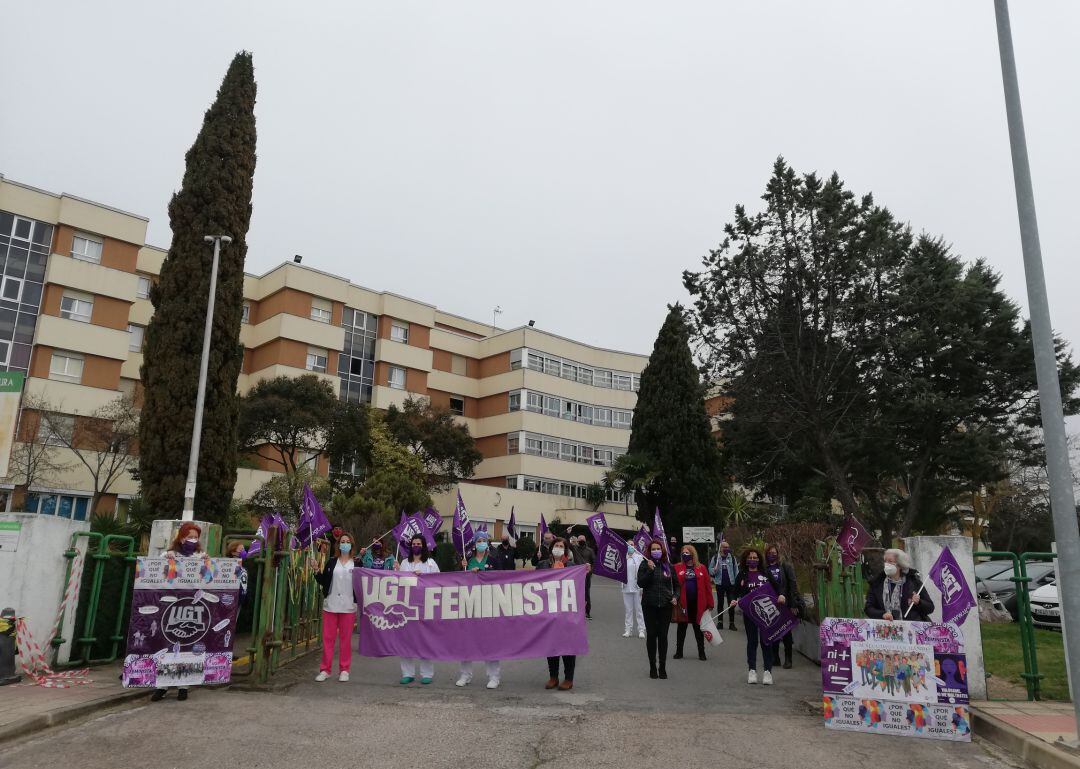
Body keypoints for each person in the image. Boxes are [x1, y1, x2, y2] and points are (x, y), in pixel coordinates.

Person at [151, 523, 207, 702]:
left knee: (188, 644)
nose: (192, 539)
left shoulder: (200, 556)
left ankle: (184, 685)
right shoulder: (169, 555)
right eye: (188, 536)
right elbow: (155, 573)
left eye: (195, 537)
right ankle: (162, 686)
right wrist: (165, 560)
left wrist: (207, 562)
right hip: (170, 607)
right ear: (181, 536)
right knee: (167, 644)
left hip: (191, 606)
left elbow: (208, 578)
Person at [312, 532, 361, 683]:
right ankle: (325, 670)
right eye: (342, 541)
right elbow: (323, 580)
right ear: (339, 544)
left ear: (351, 545)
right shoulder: (332, 562)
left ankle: (344, 670)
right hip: (331, 605)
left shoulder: (357, 563)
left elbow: (366, 580)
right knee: (328, 639)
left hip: (348, 606)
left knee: (345, 640)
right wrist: (315, 569)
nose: (345, 543)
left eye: (347, 541)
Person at [456, 531, 502, 689]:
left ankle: (494, 676)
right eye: (479, 540)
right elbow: (460, 582)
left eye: (484, 540)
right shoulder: (468, 561)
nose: (481, 542)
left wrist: (483, 574)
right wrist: (465, 570)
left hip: (489, 605)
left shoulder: (494, 561)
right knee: (466, 641)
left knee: (490, 642)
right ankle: (465, 675)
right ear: (474, 544)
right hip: (471, 606)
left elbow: (501, 579)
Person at [731, 548, 783, 686]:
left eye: (755, 557)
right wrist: (733, 599)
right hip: (750, 614)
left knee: (766, 642)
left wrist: (781, 595)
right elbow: (734, 591)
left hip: (767, 613)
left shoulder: (765, 572)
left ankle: (768, 672)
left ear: (759, 559)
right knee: (752, 641)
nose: (753, 559)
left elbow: (777, 587)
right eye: (750, 557)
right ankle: (752, 670)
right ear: (746, 560)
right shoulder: (742, 574)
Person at [396, 534, 440, 684]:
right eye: (413, 543)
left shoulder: (430, 563)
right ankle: (407, 673)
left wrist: (425, 576)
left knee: (425, 639)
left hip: (425, 606)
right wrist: (397, 572)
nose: (416, 546)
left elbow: (439, 581)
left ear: (423, 546)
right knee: (406, 640)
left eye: (418, 543)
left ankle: (427, 673)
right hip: (407, 606)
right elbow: (398, 582)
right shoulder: (404, 563)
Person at [535, 537, 576, 690]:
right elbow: (534, 583)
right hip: (548, 609)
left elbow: (579, 585)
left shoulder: (571, 566)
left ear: (565, 550)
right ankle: (553, 677)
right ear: (551, 548)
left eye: (561, 546)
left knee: (567, 644)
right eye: (556, 545)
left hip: (566, 610)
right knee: (551, 643)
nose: (558, 548)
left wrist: (586, 570)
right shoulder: (543, 564)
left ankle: (569, 678)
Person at [638, 538, 677, 679]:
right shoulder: (644, 564)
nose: (656, 551)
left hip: (665, 606)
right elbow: (641, 583)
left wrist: (675, 597)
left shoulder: (668, 566)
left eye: (658, 549)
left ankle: (662, 666)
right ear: (649, 551)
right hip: (649, 605)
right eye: (653, 549)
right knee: (652, 635)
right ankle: (652, 666)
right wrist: (649, 570)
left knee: (663, 636)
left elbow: (677, 585)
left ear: (662, 550)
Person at [864, 548, 934, 622]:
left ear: (900, 565)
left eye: (890, 561)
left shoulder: (914, 582)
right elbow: (868, 608)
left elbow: (930, 608)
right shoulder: (877, 583)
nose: (886, 564)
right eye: (885, 561)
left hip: (911, 629)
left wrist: (919, 602)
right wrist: (882, 614)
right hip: (885, 628)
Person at [764, 544, 805, 669]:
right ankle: (775, 658)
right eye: (770, 552)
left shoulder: (785, 566)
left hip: (786, 603)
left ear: (778, 553)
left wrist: (793, 604)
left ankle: (788, 659)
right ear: (766, 555)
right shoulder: (765, 569)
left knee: (786, 631)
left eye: (774, 552)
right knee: (774, 631)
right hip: (772, 604)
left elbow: (792, 585)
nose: (772, 554)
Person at [673, 545, 714, 661]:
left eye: (687, 552)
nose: (685, 555)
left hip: (698, 603)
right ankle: (679, 652)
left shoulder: (702, 568)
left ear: (693, 554)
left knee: (698, 628)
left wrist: (710, 603)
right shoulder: (677, 567)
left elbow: (708, 587)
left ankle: (701, 652)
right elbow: (673, 584)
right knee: (682, 627)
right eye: (683, 553)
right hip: (683, 603)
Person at [708, 540, 739, 631]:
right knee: (720, 603)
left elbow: (736, 571)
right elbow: (710, 570)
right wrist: (714, 569)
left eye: (727, 547)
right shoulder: (715, 558)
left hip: (731, 584)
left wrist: (737, 583)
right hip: (719, 584)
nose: (726, 549)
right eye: (724, 547)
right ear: (720, 548)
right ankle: (720, 622)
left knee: (731, 603)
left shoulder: (732, 558)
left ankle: (731, 623)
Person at [622, 540, 645, 638]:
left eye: (632, 545)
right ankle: (628, 630)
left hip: (637, 587)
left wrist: (643, 587)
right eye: (628, 545)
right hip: (626, 586)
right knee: (628, 610)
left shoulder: (639, 557)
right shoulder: (623, 558)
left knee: (639, 610)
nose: (630, 546)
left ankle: (641, 630)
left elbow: (643, 572)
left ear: (635, 546)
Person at [571, 534, 595, 619]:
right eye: (579, 539)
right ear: (577, 541)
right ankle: (576, 612)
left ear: (585, 540)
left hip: (587, 576)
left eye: (582, 539)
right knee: (575, 593)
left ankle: (587, 612)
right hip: (576, 575)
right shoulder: (574, 549)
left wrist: (590, 571)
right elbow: (566, 543)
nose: (581, 541)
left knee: (586, 594)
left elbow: (594, 563)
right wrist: (568, 533)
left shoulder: (590, 551)